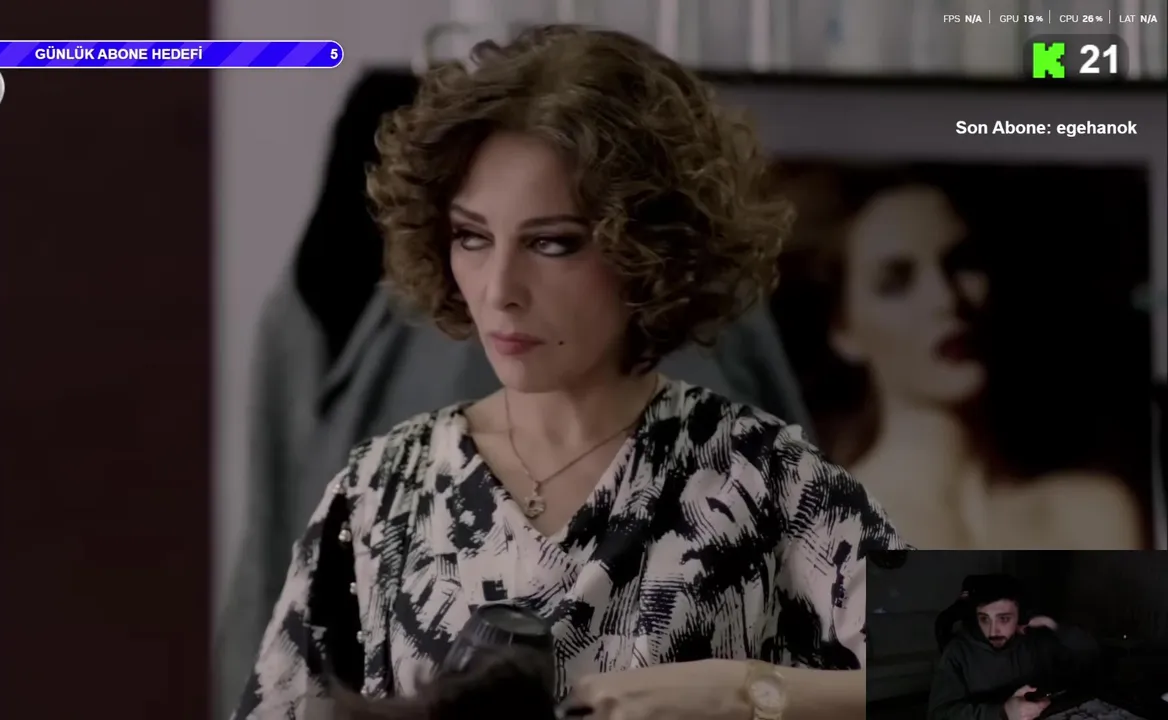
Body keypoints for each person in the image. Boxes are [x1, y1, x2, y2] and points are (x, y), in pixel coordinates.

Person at [232, 25, 903, 720]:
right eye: (471, 237)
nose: (499, 289)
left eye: (551, 243)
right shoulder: (383, 491)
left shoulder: (762, 479)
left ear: (650, 249)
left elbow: (970, 682)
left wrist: (745, 693)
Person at [771, 168, 1144, 549]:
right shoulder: (825, 530)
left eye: (961, 262)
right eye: (896, 282)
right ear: (843, 329)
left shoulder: (1093, 511)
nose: (945, 298)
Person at [927, 575, 1101, 720]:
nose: (992, 631)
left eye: (1004, 619)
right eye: (984, 619)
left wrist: (1053, 625)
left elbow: (1089, 656)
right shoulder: (958, 652)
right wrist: (1002, 713)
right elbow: (937, 715)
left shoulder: (1033, 641)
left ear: (1020, 616)